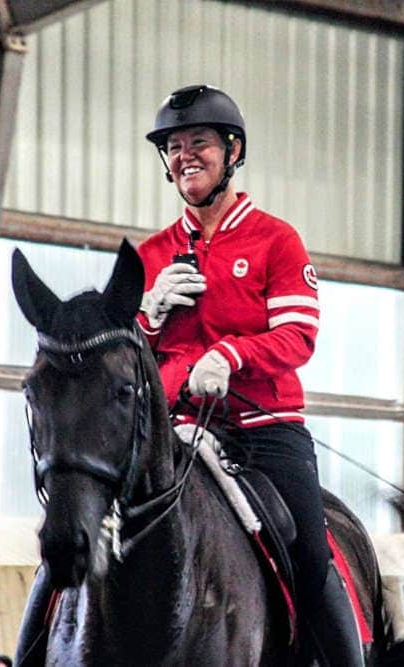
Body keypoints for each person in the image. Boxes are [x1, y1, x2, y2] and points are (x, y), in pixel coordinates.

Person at [134, 84, 360, 666]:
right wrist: (147, 318)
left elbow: (298, 337)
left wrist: (230, 356)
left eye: (200, 143)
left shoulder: (276, 240)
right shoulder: (151, 255)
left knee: (311, 557)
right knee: (73, 544)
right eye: (175, 146)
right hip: (175, 435)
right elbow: (130, 366)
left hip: (264, 432)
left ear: (232, 151)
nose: (186, 156)